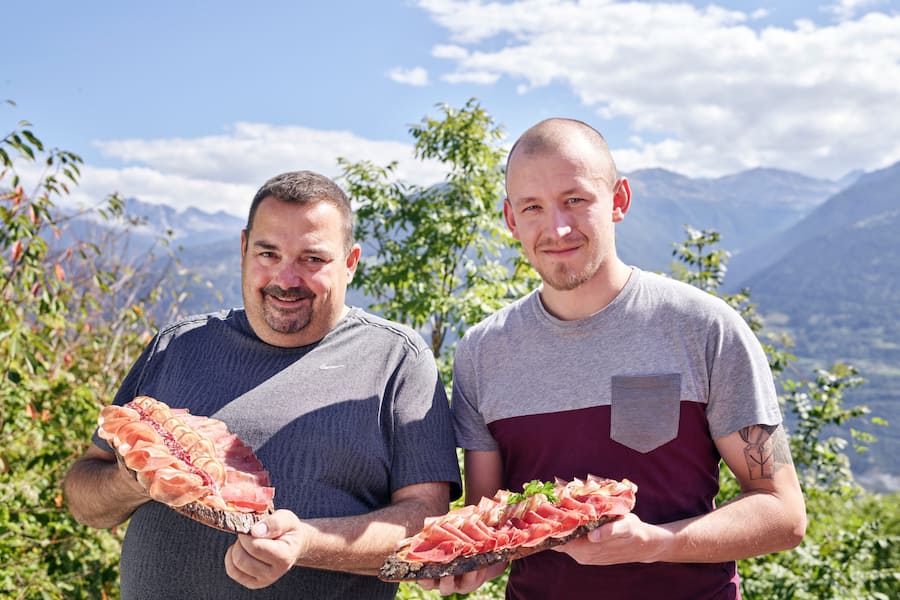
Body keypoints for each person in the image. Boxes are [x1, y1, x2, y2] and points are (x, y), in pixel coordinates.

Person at [421, 118, 807, 599]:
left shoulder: (703, 327)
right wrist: (467, 564)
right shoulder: (482, 351)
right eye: (533, 207)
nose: (557, 227)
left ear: (619, 200)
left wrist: (654, 543)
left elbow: (783, 513)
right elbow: (491, 523)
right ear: (510, 219)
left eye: (575, 200)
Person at [64, 170, 462, 599]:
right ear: (243, 249)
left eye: (312, 259)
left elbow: (425, 521)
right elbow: (84, 498)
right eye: (268, 253)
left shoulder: (397, 358)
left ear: (350, 262)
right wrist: (132, 481)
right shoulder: (177, 346)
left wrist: (306, 542)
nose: (285, 279)